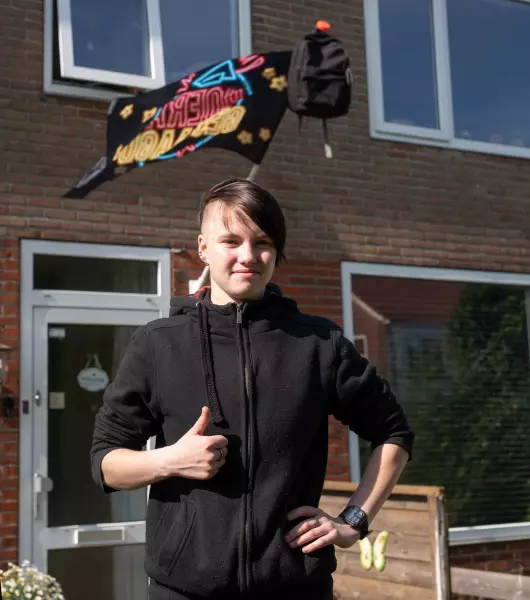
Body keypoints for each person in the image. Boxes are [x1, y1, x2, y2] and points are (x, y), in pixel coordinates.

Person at [91, 178, 414, 600]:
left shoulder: (319, 344)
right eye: (231, 240)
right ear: (203, 247)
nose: (248, 256)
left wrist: (353, 521)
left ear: (276, 251)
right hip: (184, 591)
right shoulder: (158, 343)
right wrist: (170, 460)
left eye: (262, 242)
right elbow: (106, 464)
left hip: (295, 589)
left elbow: (394, 433)